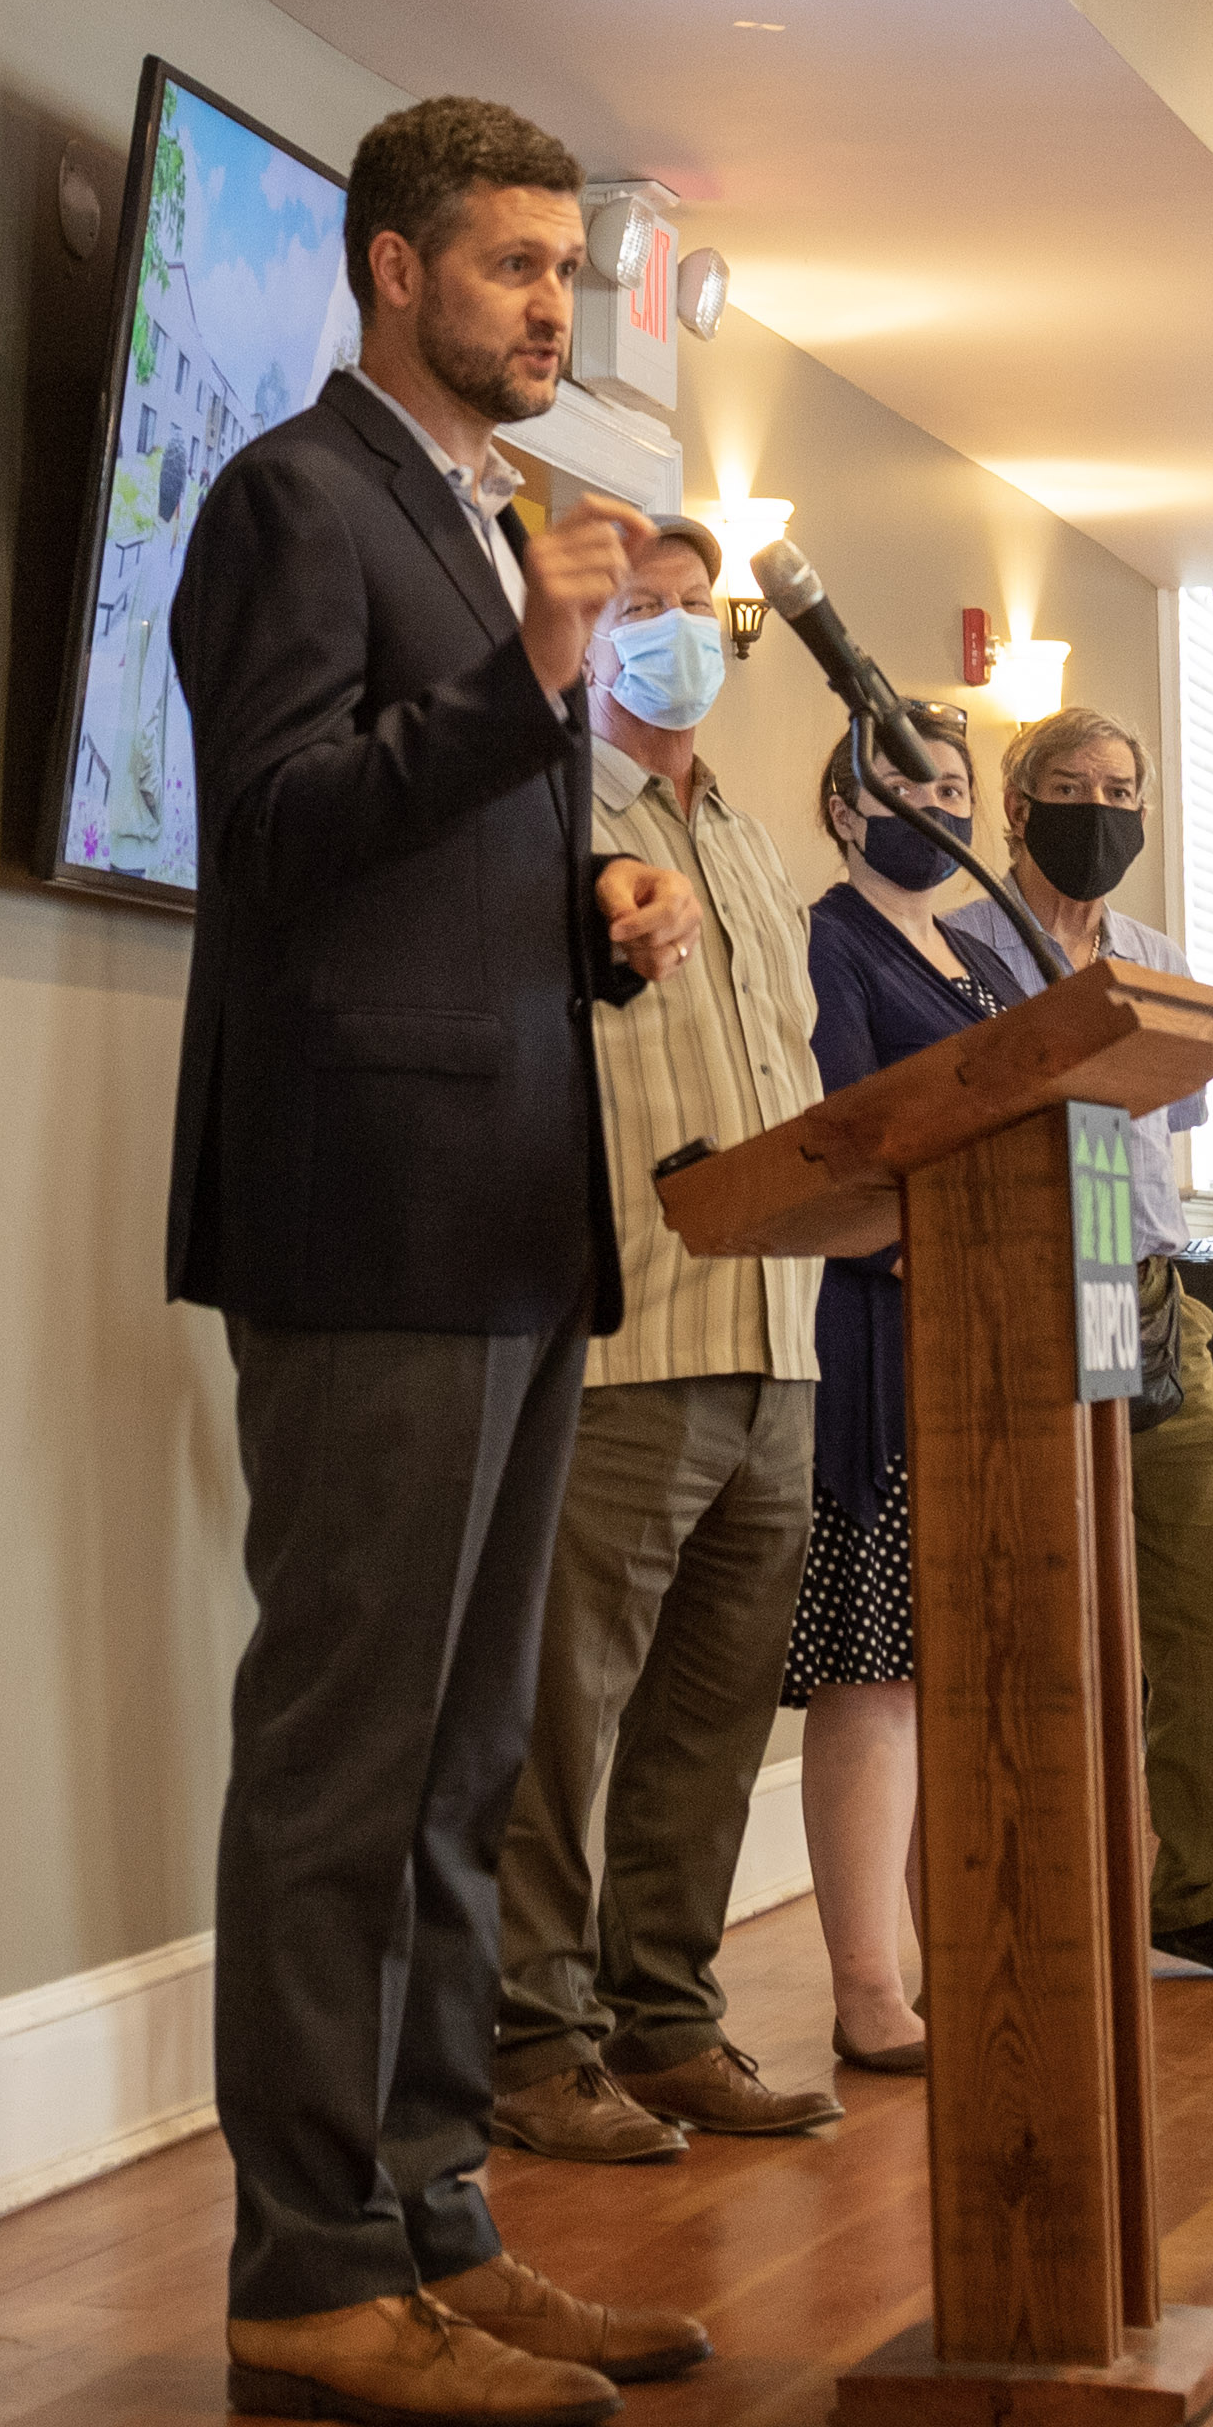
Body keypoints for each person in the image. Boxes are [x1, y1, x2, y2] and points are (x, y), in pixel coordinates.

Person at [167, 93, 713, 2427]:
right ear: (388, 267)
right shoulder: (290, 497)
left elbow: (434, 850)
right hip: (362, 1215)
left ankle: (435, 2222)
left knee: (461, 1760)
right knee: (344, 1764)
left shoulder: (478, 521)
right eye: (505, 266)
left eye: (559, 276)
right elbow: (282, 823)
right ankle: (302, 2263)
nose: (545, 311)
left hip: (503, 1207)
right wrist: (534, 667)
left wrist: (589, 915)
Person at [484, 514, 845, 2164]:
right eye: (639, 610)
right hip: (627, 1327)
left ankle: (664, 2019)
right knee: (569, 1710)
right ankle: (527, 2041)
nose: (673, 636)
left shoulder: (753, 849)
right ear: (581, 628)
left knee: (709, 1716)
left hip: (779, 1334)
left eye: (696, 612)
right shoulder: (537, 815)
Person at [948, 706, 1213, 1990]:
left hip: (1150, 1295)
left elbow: (1166, 1132)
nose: (1096, 808)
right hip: (1010, 1295)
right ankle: (1026, 1890)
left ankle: (1198, 1892)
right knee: (1031, 1615)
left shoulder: (1153, 955)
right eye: (1068, 785)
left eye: (1119, 788)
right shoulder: (956, 949)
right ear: (1014, 803)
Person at [791, 698, 989, 2081]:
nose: (946, 806)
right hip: (882, 1335)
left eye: (961, 787)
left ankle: (966, 1953)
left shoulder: (989, 957)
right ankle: (868, 1987)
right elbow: (846, 1138)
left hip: (1001, 1342)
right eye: (915, 784)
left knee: (969, 1675)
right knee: (882, 1672)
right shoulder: (827, 942)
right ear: (850, 805)